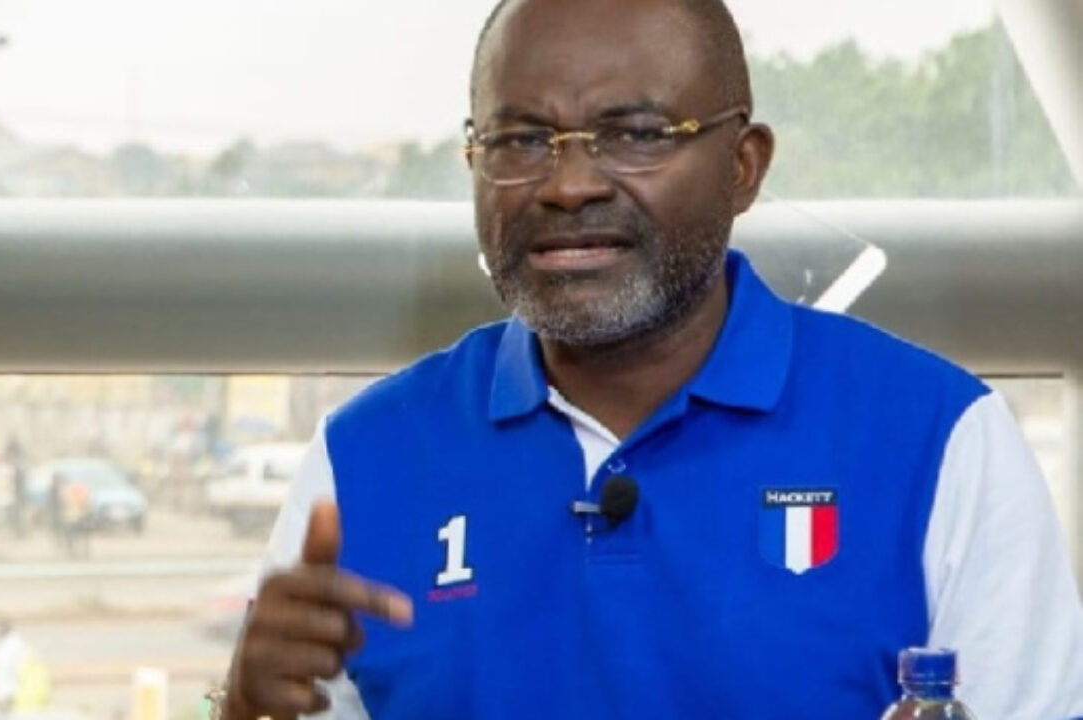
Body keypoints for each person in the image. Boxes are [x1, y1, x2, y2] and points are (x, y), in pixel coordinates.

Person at [224, 1, 1083, 718]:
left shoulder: (938, 440)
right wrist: (243, 711)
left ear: (744, 166)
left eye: (635, 133)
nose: (569, 185)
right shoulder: (363, 460)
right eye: (520, 141)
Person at [0, 620, 25, 719]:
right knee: (1, 691)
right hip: (1, 671)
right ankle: (3, 711)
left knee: (9, 691)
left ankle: (8, 710)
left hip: (10, 671)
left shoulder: (14, 640)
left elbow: (18, 655)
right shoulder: (0, 640)